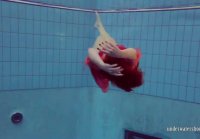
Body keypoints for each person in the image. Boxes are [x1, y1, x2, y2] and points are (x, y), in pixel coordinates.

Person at [85, 12, 144, 93]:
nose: (137, 68)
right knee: (108, 38)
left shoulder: (104, 69)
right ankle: (99, 26)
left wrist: (101, 65)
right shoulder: (131, 66)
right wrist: (121, 53)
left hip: (99, 58)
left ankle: (99, 27)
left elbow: (91, 51)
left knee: (101, 39)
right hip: (115, 52)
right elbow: (134, 54)